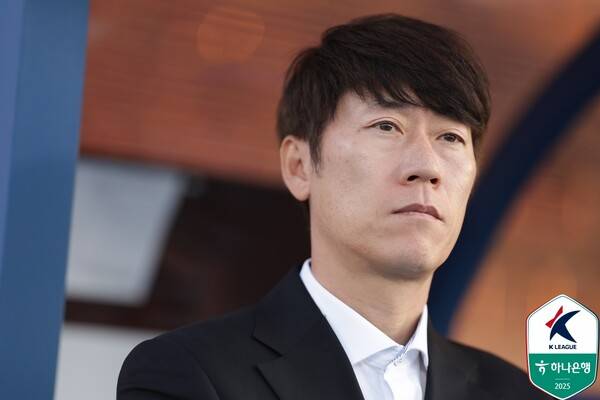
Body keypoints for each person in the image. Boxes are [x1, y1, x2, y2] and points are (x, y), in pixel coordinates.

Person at [117, 14, 551, 399]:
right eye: (386, 126)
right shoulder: (189, 375)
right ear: (299, 166)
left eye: (451, 137)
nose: (427, 167)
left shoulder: (517, 393)